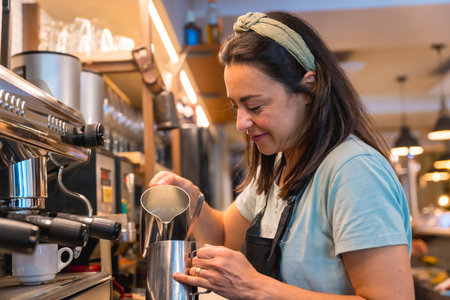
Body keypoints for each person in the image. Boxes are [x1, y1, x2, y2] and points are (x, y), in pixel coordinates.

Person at [149, 11, 413, 299]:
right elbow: (225, 238)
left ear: (308, 88)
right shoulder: (278, 164)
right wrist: (192, 200)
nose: (241, 123)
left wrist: (255, 287)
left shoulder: (354, 171)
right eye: (237, 107)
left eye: (256, 106)